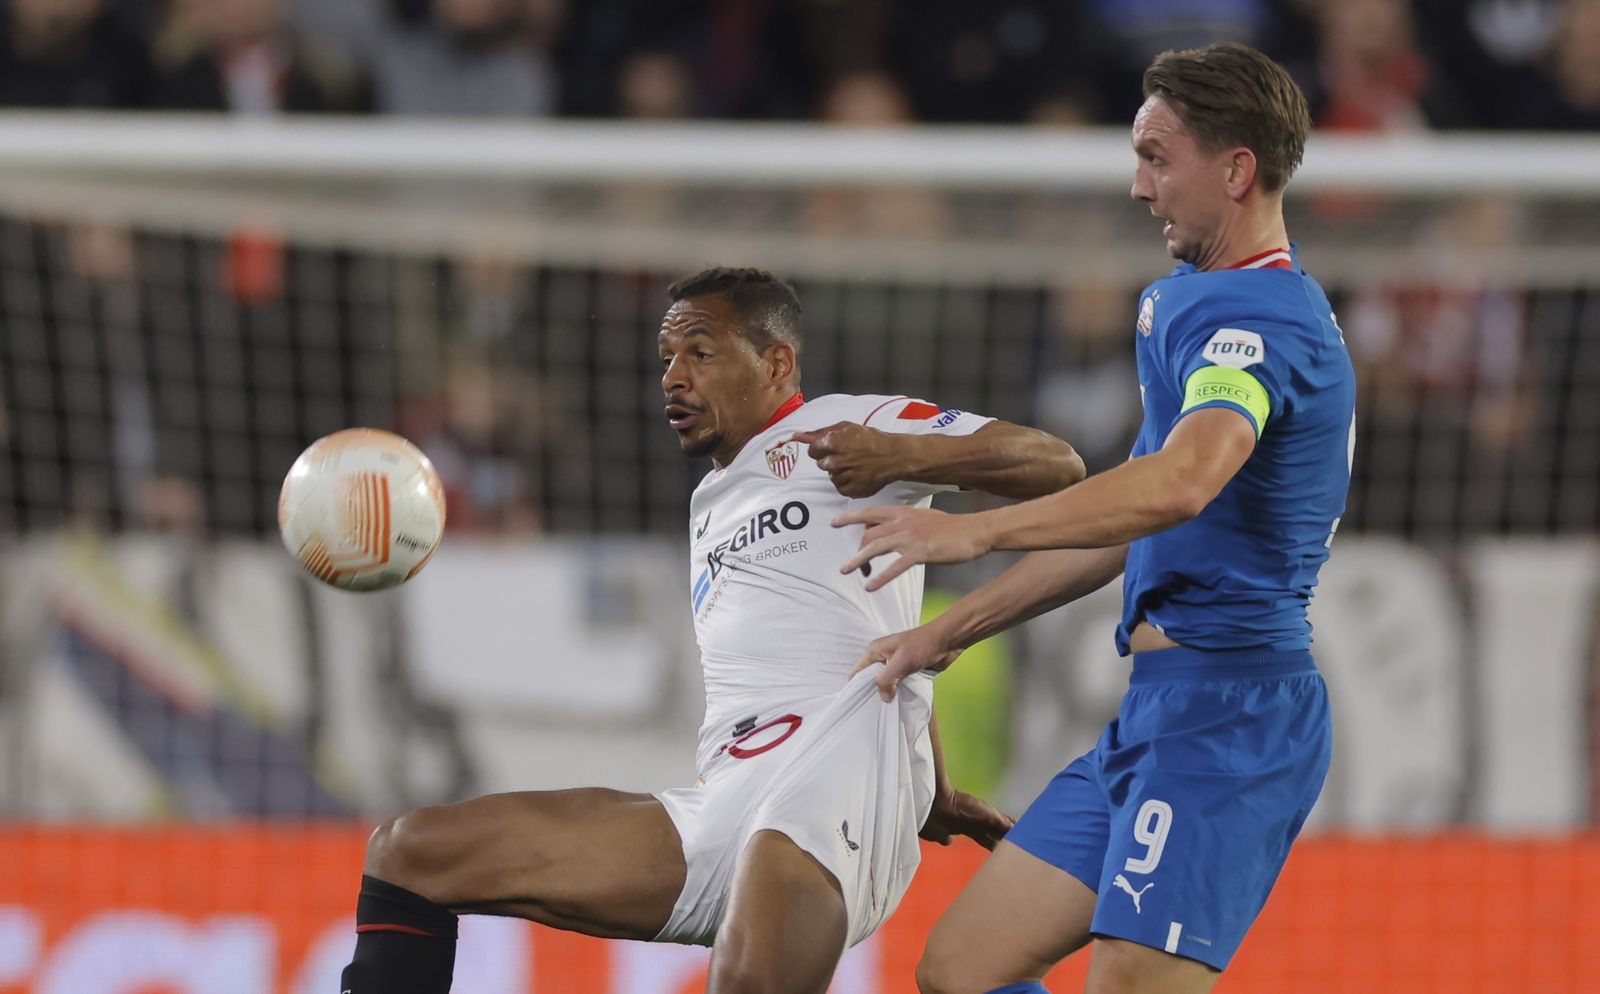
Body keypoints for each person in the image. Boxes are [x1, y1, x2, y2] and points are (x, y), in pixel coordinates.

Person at [339, 266, 1087, 993]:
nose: (673, 377)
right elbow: (851, 622)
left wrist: (908, 453)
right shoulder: (711, 504)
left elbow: (1059, 465)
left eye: (700, 351)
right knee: (412, 853)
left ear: (776, 362)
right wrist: (935, 786)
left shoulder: (856, 424)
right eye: (667, 357)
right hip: (728, 795)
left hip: (828, 780)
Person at [834, 43, 1357, 994]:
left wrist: (974, 529)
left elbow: (1185, 482)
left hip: (1233, 718)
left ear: (1236, 169)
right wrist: (949, 629)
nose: (1137, 185)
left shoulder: (1259, 317)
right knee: (961, 968)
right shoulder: (1187, 305)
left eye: (1158, 157)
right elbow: (1137, 518)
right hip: (1156, 715)